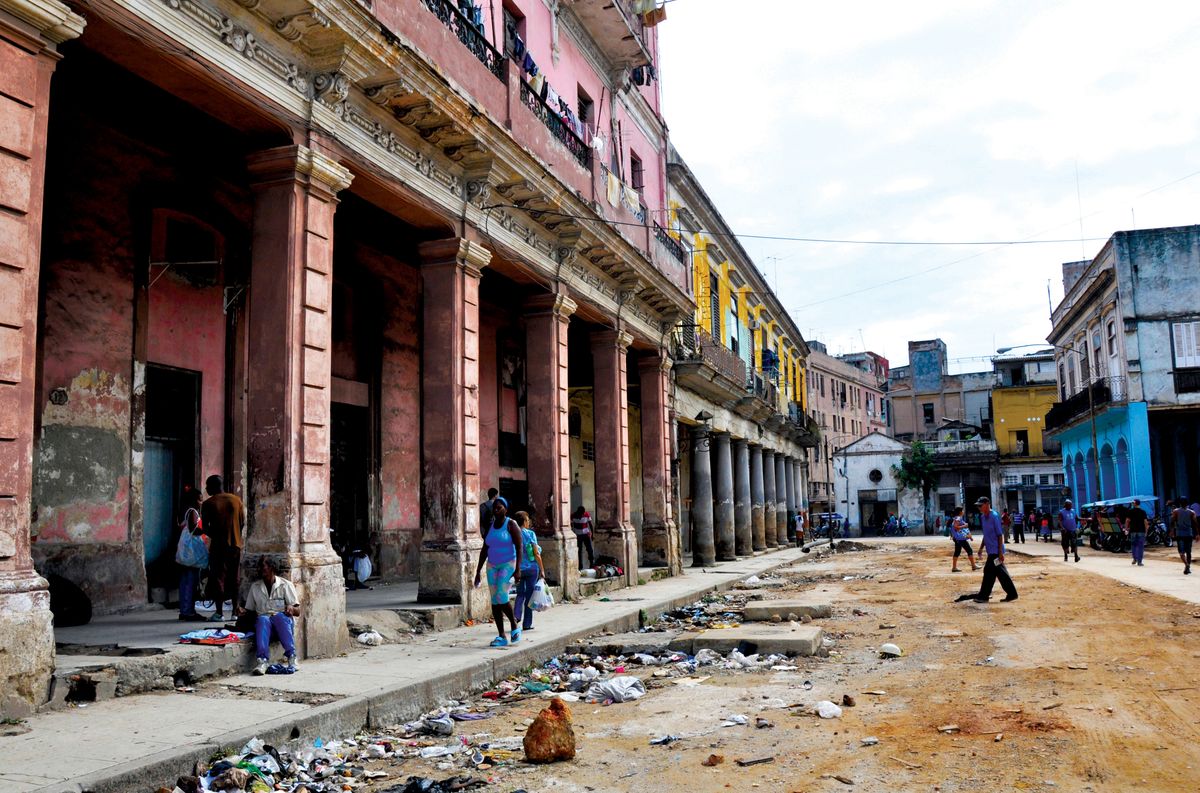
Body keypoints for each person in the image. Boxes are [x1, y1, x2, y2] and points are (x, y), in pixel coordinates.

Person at [474, 496, 523, 646]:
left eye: (500, 507)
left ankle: (514, 624)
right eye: (495, 507)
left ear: (506, 509)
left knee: (502, 595)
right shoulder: (491, 526)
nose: (496, 509)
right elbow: (485, 549)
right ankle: (501, 636)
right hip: (492, 565)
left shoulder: (511, 524)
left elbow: (519, 547)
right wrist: (478, 571)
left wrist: (518, 569)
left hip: (508, 564)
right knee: (495, 601)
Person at [200, 475, 246, 623]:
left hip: (219, 547)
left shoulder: (208, 504)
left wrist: (217, 534)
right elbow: (242, 522)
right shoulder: (236, 500)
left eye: (207, 486)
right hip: (236, 545)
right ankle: (235, 611)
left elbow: (205, 527)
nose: (206, 489)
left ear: (213, 486)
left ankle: (219, 613)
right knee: (235, 578)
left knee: (218, 578)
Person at [243, 558, 300, 675]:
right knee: (263, 619)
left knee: (279, 617)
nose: (260, 570)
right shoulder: (255, 587)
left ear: (272, 569)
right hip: (264, 626)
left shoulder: (285, 585)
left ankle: (292, 657)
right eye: (259, 567)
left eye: (263, 567)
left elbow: (297, 611)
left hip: (282, 624)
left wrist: (291, 609)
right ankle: (262, 661)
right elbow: (250, 611)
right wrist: (243, 612)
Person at [958, 496, 1017, 603]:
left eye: (980, 506)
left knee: (990, 571)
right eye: (978, 506)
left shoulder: (994, 516)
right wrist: (981, 548)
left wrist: (1000, 552)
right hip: (991, 550)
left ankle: (984, 596)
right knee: (999, 573)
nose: (979, 508)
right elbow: (986, 535)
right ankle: (1011, 594)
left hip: (996, 551)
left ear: (987, 504)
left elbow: (999, 535)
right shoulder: (983, 517)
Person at [511, 510, 545, 633]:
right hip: (531, 569)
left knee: (520, 594)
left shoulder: (512, 534)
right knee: (530, 596)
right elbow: (536, 553)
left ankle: (516, 616)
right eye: (527, 520)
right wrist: (542, 570)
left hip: (518, 569)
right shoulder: (530, 534)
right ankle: (527, 623)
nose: (528, 522)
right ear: (524, 521)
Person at [177, 486, 207, 622]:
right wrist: (207, 530)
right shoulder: (193, 512)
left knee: (185, 581)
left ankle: (185, 609)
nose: (202, 502)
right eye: (200, 500)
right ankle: (188, 611)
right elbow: (194, 530)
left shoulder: (184, 510)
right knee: (191, 581)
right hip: (191, 553)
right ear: (195, 500)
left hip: (185, 552)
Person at [1170, 500, 1196, 575]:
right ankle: (1188, 567)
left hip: (1180, 534)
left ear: (1180, 504)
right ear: (1187, 504)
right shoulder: (1192, 512)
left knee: (1181, 552)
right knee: (1188, 552)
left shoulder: (1175, 511)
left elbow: (1172, 522)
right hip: (1189, 534)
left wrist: (1171, 531)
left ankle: (1186, 564)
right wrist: (1197, 534)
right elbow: (1195, 523)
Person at [949, 506, 977, 572]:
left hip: (957, 538)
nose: (963, 511)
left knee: (957, 552)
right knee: (969, 550)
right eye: (963, 510)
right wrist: (965, 525)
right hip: (960, 539)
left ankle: (954, 567)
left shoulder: (956, 518)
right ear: (960, 512)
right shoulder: (958, 518)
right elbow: (956, 527)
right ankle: (973, 566)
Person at [1125, 498, 1148, 566]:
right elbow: (1145, 522)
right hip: (1141, 531)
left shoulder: (1130, 511)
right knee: (1140, 546)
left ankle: (1135, 559)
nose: (1132, 504)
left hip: (1133, 531)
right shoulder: (1143, 512)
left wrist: (1126, 528)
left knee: (1134, 545)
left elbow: (1127, 520)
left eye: (1133, 503)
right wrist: (1146, 530)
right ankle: (1139, 561)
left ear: (1134, 504)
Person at [571, 505, 595, 569]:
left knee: (590, 549)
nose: (582, 515)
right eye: (581, 514)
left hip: (586, 535)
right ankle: (580, 566)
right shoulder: (573, 516)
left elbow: (590, 525)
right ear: (578, 512)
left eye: (583, 514)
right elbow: (571, 526)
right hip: (578, 536)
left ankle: (592, 563)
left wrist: (592, 534)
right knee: (579, 551)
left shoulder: (586, 514)